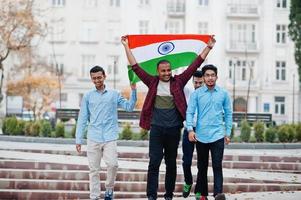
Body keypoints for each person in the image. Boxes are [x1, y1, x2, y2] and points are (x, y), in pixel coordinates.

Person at [121, 35, 216, 200]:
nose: (166, 73)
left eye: (168, 70)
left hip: (173, 130)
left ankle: (169, 195)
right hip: (157, 130)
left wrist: (208, 47)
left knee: (171, 165)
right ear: (158, 72)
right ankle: (151, 196)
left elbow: (194, 66)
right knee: (154, 163)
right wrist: (126, 46)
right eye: (163, 71)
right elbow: (135, 67)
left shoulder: (178, 82)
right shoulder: (152, 82)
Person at [75, 66, 137, 200]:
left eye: (99, 77)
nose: (97, 80)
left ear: (104, 76)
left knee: (113, 164)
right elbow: (83, 118)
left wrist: (133, 90)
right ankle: (94, 196)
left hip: (110, 137)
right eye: (94, 78)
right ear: (91, 79)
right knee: (94, 170)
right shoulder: (87, 96)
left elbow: (129, 107)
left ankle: (109, 189)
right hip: (93, 137)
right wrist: (78, 139)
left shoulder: (114, 94)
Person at [186, 65, 232, 200]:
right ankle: (203, 195)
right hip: (201, 136)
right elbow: (190, 112)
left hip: (218, 135)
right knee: (202, 167)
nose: (210, 78)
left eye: (212, 75)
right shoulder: (196, 94)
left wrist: (227, 133)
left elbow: (228, 114)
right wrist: (190, 129)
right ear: (204, 77)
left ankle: (218, 194)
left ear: (216, 77)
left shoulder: (223, 93)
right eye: (207, 75)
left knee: (217, 165)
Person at [182, 70, 204, 198]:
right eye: (196, 82)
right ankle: (188, 182)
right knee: (186, 161)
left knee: (202, 163)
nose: (198, 85)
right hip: (188, 130)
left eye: (200, 83)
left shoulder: (207, 95)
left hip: (202, 132)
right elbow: (179, 81)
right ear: (192, 81)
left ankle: (199, 190)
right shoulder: (188, 92)